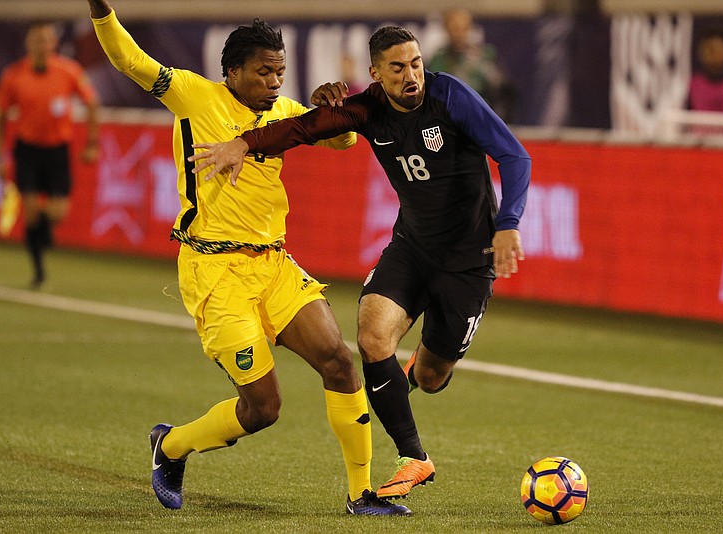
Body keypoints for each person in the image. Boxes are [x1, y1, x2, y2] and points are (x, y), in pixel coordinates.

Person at [85, 0, 411, 516]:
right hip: (214, 272)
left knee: (340, 363)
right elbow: (130, 61)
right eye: (264, 72)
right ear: (232, 72)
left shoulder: (281, 114)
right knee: (264, 409)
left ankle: (361, 494)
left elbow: (344, 140)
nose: (275, 82)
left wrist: (335, 107)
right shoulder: (195, 96)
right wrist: (102, 11)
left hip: (273, 265)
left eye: (280, 71)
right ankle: (170, 447)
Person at [189, 26, 531, 502]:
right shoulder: (367, 109)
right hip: (412, 249)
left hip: (467, 262)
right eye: (397, 67)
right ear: (376, 73)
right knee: (371, 336)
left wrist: (508, 222)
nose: (412, 75)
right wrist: (245, 144)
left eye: (415, 63)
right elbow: (303, 127)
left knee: (431, 378)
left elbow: (514, 155)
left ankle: (398, 386)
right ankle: (414, 457)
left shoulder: (451, 96)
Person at [0, 21, 100, 289]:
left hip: (57, 151)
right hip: (27, 150)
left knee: (58, 212)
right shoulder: (14, 75)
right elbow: (0, 116)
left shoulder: (68, 71)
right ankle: (38, 269)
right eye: (36, 40)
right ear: (28, 44)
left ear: (54, 43)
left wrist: (92, 143)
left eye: (46, 40)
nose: (42, 45)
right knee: (29, 213)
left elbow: (92, 103)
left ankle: (41, 233)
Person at [427, 8, 514, 122]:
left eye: (463, 28)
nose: (458, 33)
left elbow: (502, 91)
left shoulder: (484, 57)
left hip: (479, 118)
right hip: (447, 119)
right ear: (446, 29)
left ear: (470, 29)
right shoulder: (438, 59)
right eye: (454, 28)